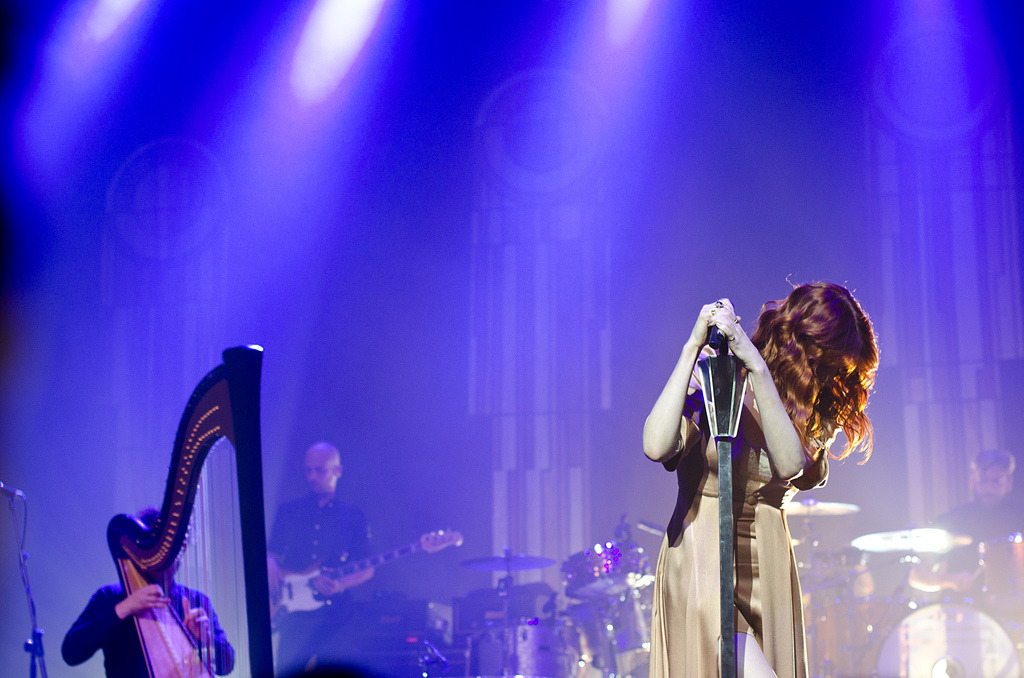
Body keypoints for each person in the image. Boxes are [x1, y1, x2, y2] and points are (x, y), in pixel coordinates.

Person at [642, 282, 878, 677]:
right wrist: (690, 352)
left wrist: (758, 369)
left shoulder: (814, 406)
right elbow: (655, 445)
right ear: (806, 348)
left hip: (768, 564)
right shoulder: (720, 379)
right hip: (703, 559)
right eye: (832, 363)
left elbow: (789, 466)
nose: (836, 376)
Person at [61, 507, 235, 677]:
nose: (171, 561)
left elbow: (227, 665)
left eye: (175, 552)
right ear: (143, 554)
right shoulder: (110, 597)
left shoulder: (196, 600)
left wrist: (207, 638)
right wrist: (123, 609)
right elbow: (71, 653)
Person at [268, 441, 375, 675]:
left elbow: (367, 567)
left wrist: (341, 584)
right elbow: (272, 553)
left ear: (338, 471)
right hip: (294, 615)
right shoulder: (289, 511)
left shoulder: (353, 516)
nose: (312, 476)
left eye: (320, 470)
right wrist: (269, 563)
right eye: (308, 470)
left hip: (337, 616)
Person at [908, 449, 1022, 605]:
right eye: (983, 480)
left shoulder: (1019, 518)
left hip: (1014, 613)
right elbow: (916, 576)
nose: (988, 488)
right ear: (972, 482)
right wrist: (951, 580)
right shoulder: (952, 520)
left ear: (1009, 482)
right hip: (961, 615)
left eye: (996, 481)